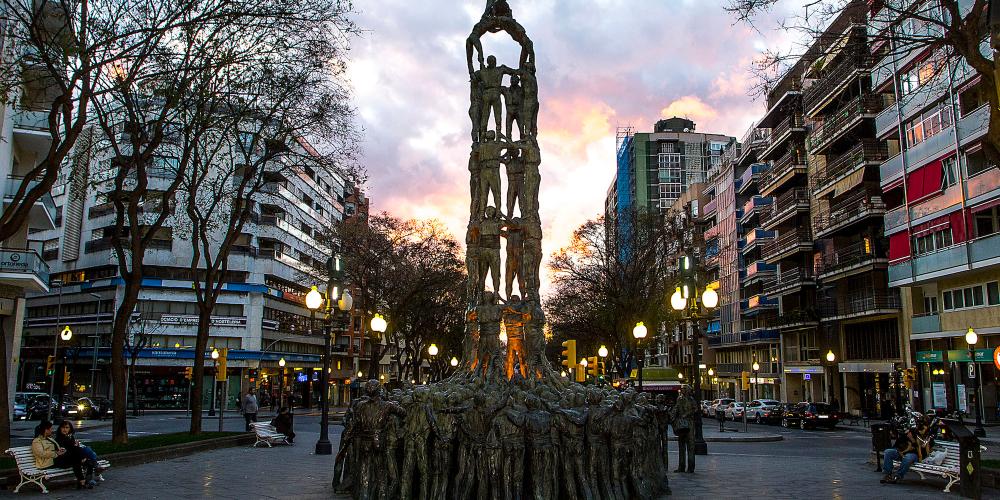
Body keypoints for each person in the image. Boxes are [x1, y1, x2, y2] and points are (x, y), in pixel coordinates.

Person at [31, 420, 91, 489]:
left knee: (76, 455)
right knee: (77, 456)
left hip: (57, 459)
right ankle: (84, 470)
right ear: (45, 430)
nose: (51, 430)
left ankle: (82, 481)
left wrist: (61, 450)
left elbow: (57, 448)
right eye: (50, 429)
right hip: (48, 463)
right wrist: (56, 453)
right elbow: (41, 453)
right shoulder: (36, 441)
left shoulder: (50, 439)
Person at [882, 418, 933, 484]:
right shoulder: (912, 431)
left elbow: (925, 448)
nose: (918, 428)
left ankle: (898, 476)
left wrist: (913, 440)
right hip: (902, 451)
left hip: (914, 454)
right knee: (888, 452)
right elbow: (899, 443)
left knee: (908, 458)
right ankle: (888, 474)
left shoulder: (928, 436)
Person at [55, 420, 103, 485]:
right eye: (63, 427)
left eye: (67, 428)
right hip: (63, 460)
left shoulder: (70, 437)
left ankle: (88, 479)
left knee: (88, 461)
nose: (65, 429)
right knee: (81, 456)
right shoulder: (59, 439)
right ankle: (83, 479)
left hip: (73, 458)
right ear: (60, 428)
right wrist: (77, 450)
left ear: (70, 429)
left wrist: (76, 447)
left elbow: (74, 450)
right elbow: (66, 452)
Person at [671, 385, 698, 473]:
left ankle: (691, 467)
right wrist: (672, 415)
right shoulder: (679, 399)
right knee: (681, 445)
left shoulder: (691, 399)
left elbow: (695, 409)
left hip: (689, 423)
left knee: (690, 445)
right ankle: (681, 466)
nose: (682, 390)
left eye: (684, 389)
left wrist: (687, 414)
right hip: (681, 423)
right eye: (682, 389)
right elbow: (676, 408)